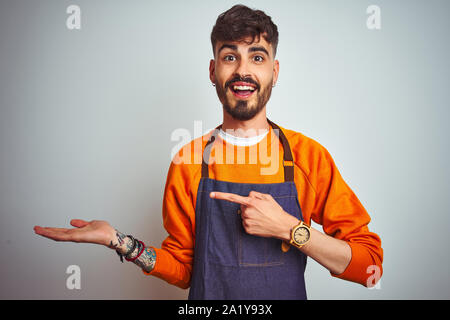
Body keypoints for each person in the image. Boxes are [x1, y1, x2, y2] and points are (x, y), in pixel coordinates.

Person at [34, 4, 383, 300]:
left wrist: (291, 229)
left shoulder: (309, 158)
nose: (243, 70)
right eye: (230, 56)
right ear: (214, 70)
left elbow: (370, 268)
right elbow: (184, 270)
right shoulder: (188, 162)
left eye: (257, 57)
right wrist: (119, 241)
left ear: (274, 72)